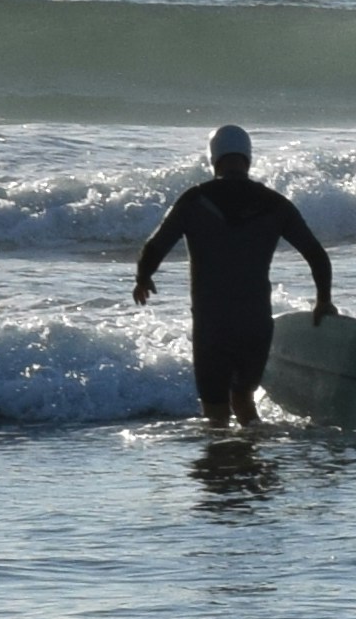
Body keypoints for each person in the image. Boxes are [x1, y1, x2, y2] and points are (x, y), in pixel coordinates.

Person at [135, 123, 336, 430]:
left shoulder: (195, 200)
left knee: (215, 413)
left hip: (212, 324)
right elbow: (316, 254)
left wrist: (143, 278)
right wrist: (323, 301)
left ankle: (226, 466)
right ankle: (250, 462)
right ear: (248, 158)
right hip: (255, 322)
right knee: (243, 398)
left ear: (213, 159)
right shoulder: (274, 203)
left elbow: (155, 244)